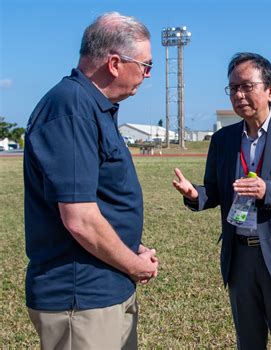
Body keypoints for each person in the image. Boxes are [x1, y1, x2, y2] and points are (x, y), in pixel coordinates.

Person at [23, 12, 158, 349]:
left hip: (106, 287)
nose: (147, 74)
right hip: (81, 298)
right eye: (145, 65)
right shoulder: (71, 108)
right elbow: (80, 218)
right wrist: (134, 264)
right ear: (114, 63)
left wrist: (129, 246)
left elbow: (99, 198)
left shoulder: (94, 107)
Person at [173, 52, 271, 349]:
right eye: (233, 88)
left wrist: (267, 191)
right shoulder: (223, 140)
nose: (238, 95)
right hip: (239, 258)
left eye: (246, 86)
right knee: (248, 342)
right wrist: (195, 194)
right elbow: (215, 191)